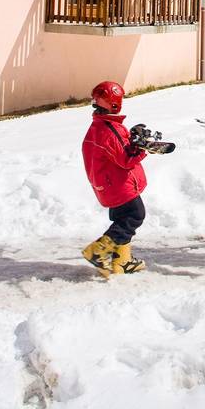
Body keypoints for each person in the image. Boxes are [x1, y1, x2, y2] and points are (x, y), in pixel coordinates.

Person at [80, 81, 158, 277]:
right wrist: (142, 148)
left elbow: (117, 150)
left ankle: (121, 261)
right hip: (119, 185)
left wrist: (133, 140)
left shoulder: (100, 126)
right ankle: (98, 250)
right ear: (115, 103)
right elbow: (126, 159)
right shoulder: (109, 129)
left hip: (108, 184)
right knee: (135, 216)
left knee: (122, 219)